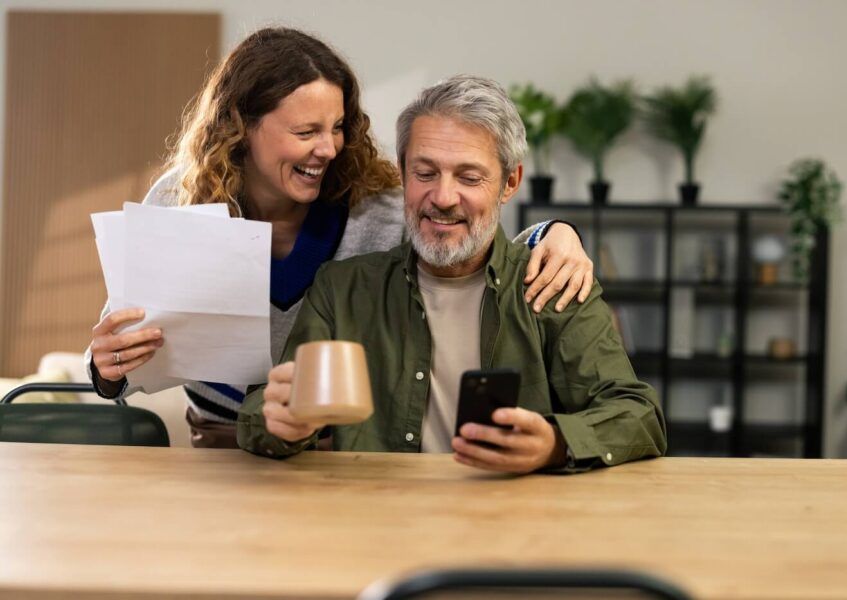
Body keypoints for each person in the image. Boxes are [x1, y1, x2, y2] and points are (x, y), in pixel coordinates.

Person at [84, 28, 594, 448]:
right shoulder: (178, 200)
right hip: (220, 443)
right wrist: (107, 368)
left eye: (337, 127)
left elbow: (467, 243)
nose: (328, 149)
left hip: (341, 448)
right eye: (306, 132)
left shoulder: (380, 205)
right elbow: (123, 348)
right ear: (241, 127)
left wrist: (555, 232)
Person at [237, 75, 667, 473]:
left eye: (469, 177)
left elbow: (639, 414)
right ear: (403, 174)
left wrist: (555, 443)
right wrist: (280, 422)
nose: (442, 197)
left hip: (515, 526)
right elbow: (264, 410)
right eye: (425, 173)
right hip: (373, 520)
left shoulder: (551, 282)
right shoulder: (341, 288)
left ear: (510, 182)